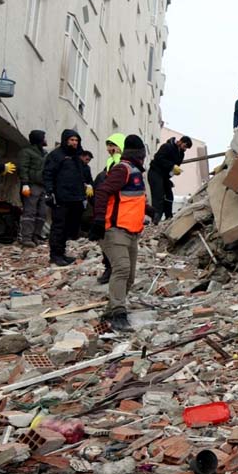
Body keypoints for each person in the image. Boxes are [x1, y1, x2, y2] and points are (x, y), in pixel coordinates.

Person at [90, 135, 151, 332]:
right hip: (114, 229)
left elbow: (130, 200)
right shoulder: (122, 169)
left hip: (132, 232)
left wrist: (149, 210)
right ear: (139, 156)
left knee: (130, 277)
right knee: (122, 269)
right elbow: (102, 192)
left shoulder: (135, 174)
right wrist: (99, 219)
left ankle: (110, 311)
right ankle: (118, 313)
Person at [43, 129, 92, 266]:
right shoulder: (56, 155)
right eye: (71, 140)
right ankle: (55, 255)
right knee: (58, 226)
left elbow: (81, 176)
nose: (74, 143)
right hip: (61, 197)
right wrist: (49, 192)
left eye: (76, 140)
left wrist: (85, 189)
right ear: (65, 140)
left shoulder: (77, 157)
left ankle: (62, 252)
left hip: (75, 198)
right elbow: (48, 174)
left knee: (68, 228)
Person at [94, 134, 125, 284]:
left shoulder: (124, 166)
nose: (110, 149)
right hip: (108, 210)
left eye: (113, 145)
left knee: (118, 243)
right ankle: (109, 268)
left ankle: (115, 271)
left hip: (121, 211)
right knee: (107, 240)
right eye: (108, 145)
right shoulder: (109, 164)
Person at [148, 135, 191, 223]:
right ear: (180, 142)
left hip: (165, 176)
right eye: (185, 146)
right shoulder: (167, 147)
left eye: (187, 148)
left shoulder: (181, 154)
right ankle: (156, 219)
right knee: (158, 196)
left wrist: (175, 171)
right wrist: (172, 166)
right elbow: (158, 158)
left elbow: (176, 165)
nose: (185, 149)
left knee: (169, 196)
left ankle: (168, 218)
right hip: (155, 172)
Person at [16, 130, 48, 247]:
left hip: (42, 186)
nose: (45, 139)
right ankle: (26, 238)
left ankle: (35, 236)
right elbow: (23, 168)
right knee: (30, 212)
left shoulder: (44, 153)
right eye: (44, 137)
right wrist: (25, 183)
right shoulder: (26, 152)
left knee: (42, 213)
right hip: (31, 185)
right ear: (39, 139)